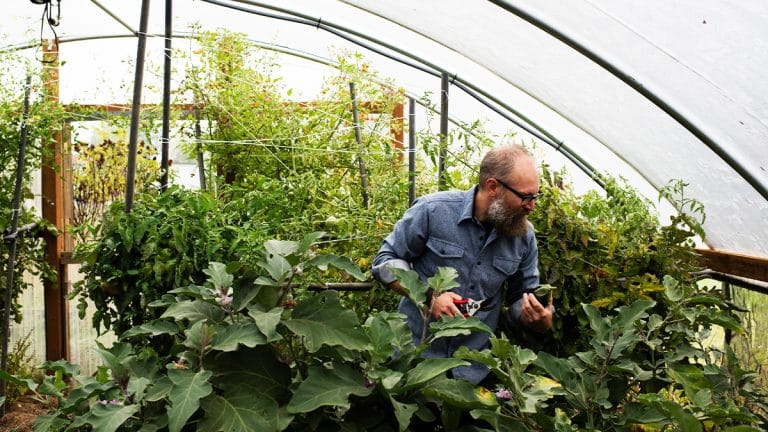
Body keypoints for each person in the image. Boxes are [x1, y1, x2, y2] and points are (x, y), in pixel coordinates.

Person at [372, 144, 553, 384]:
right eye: (525, 197)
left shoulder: (524, 237)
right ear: (493, 187)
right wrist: (429, 296)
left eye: (535, 196)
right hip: (414, 362)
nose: (531, 206)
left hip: (473, 372)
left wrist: (539, 318)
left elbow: (522, 296)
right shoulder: (433, 211)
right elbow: (385, 262)